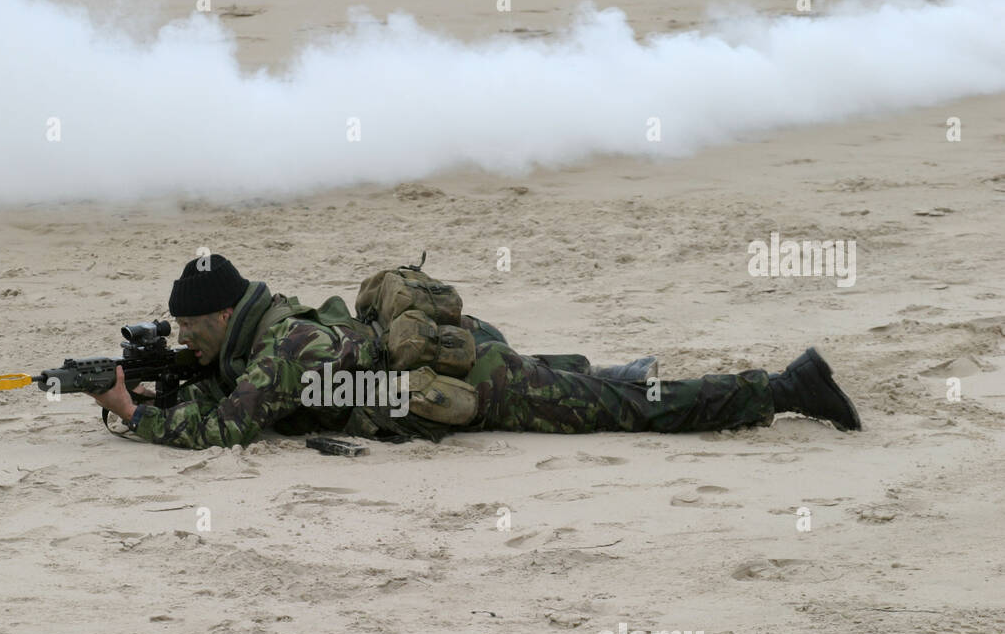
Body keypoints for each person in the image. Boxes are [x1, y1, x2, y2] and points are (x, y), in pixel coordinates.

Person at [90, 255, 861, 450]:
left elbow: (231, 427)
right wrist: (170, 385)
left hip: (475, 384)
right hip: (463, 361)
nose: (186, 342)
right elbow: (233, 391)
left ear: (223, 312)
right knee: (583, 389)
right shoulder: (268, 330)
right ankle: (604, 375)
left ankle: (786, 388)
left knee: (625, 413)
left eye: (192, 330)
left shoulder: (287, 344)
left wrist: (133, 415)